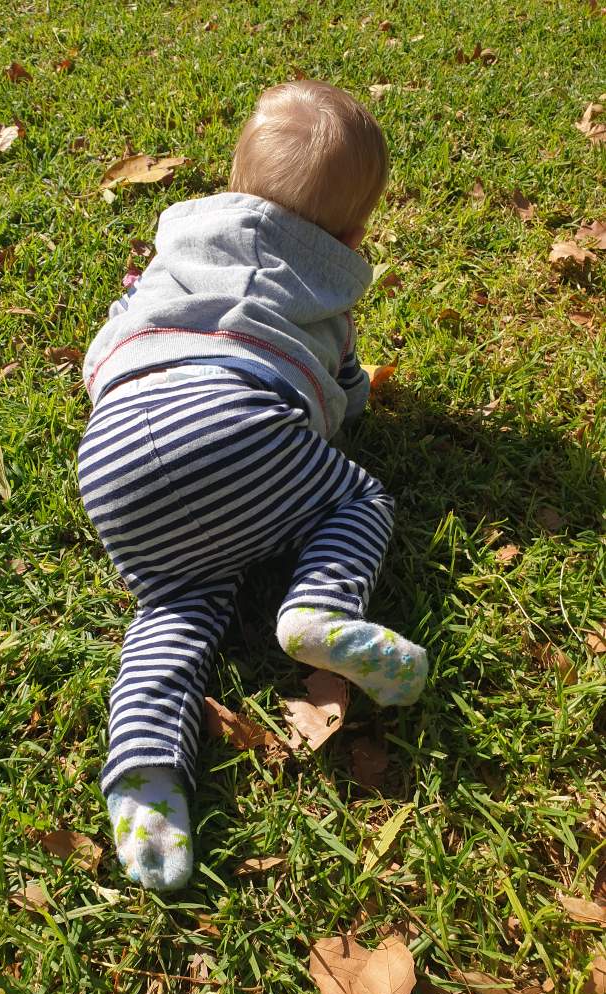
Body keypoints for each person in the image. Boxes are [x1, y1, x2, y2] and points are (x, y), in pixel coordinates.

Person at [78, 80, 428, 891]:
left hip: (114, 456)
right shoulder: (328, 289)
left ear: (232, 183)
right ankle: (319, 609)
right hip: (240, 424)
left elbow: (122, 315)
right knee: (358, 499)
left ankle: (145, 777)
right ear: (353, 231)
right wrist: (354, 389)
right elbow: (342, 397)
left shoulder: (177, 243)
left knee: (171, 609)